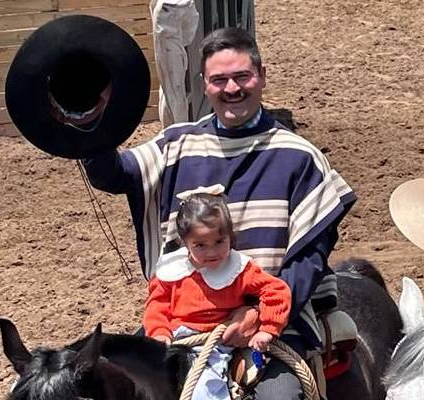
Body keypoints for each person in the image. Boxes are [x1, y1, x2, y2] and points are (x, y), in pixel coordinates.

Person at [83, 27, 356, 399]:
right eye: (219, 79)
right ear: (204, 84)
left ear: (261, 77)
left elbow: (307, 260)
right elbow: (112, 175)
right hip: (179, 323)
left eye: (242, 76)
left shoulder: (301, 157)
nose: (232, 89)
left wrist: (258, 315)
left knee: (279, 396)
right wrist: (90, 123)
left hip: (271, 322)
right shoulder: (176, 144)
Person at [144, 187, 291, 399]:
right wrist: (159, 332)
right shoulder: (171, 271)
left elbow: (276, 290)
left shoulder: (240, 270)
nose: (212, 252)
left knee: (204, 389)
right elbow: (157, 305)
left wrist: (268, 329)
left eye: (219, 242)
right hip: (173, 340)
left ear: (230, 236)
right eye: (201, 245)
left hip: (212, 345)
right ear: (185, 242)